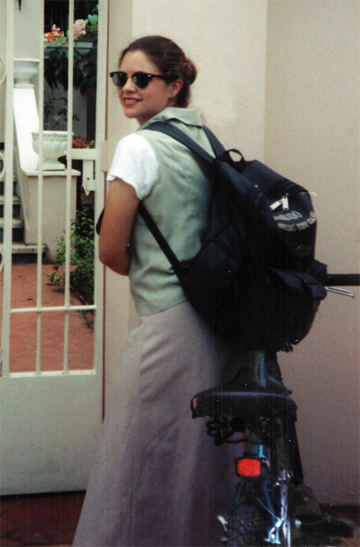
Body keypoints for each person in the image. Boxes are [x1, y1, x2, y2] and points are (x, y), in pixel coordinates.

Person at [73, 35, 248, 547]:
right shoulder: (205, 142)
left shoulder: (138, 146)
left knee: (136, 462)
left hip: (168, 327)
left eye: (141, 78)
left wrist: (144, 271)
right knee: (196, 461)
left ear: (173, 86)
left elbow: (109, 249)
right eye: (120, 77)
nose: (127, 87)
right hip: (217, 318)